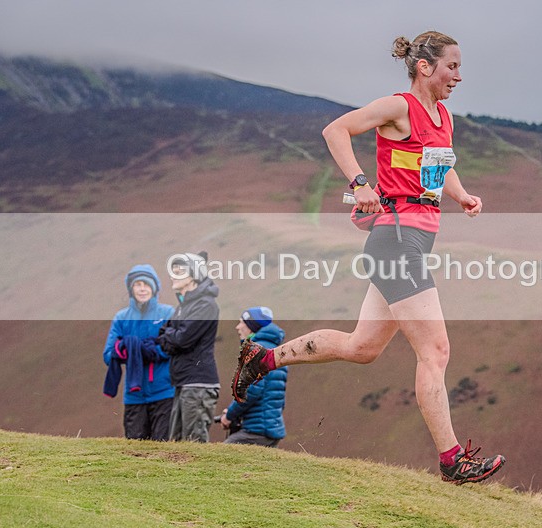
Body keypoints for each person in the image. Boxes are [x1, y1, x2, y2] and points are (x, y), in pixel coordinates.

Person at [233, 31, 505, 484]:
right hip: (396, 241)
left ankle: (262, 360)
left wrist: (460, 195)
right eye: (452, 66)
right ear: (425, 67)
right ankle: (451, 460)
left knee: (362, 348)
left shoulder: (443, 117)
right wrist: (360, 183)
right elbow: (335, 130)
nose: (459, 76)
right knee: (436, 351)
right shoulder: (398, 107)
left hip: (412, 240)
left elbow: (440, 164)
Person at [102, 264, 174, 440]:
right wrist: (126, 350)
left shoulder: (168, 313)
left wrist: (149, 351)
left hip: (164, 392)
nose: (142, 289)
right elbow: (108, 355)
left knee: (163, 447)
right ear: (131, 289)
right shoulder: (121, 318)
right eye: (138, 285)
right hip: (134, 396)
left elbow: (173, 348)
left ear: (154, 288)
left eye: (147, 284)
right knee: (135, 448)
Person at [156, 251, 221, 443]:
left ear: (193, 275)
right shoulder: (183, 307)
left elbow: (182, 339)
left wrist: (171, 336)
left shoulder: (206, 305)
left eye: (179, 272)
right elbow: (163, 336)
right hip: (183, 382)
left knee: (194, 445)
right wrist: (172, 336)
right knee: (176, 444)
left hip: (198, 384)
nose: (173, 276)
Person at [220, 307, 288, 447]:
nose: (238, 327)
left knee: (220, 454)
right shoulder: (276, 352)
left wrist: (229, 416)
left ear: (251, 327)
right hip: (270, 428)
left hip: (256, 432)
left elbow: (250, 392)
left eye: (241, 322)